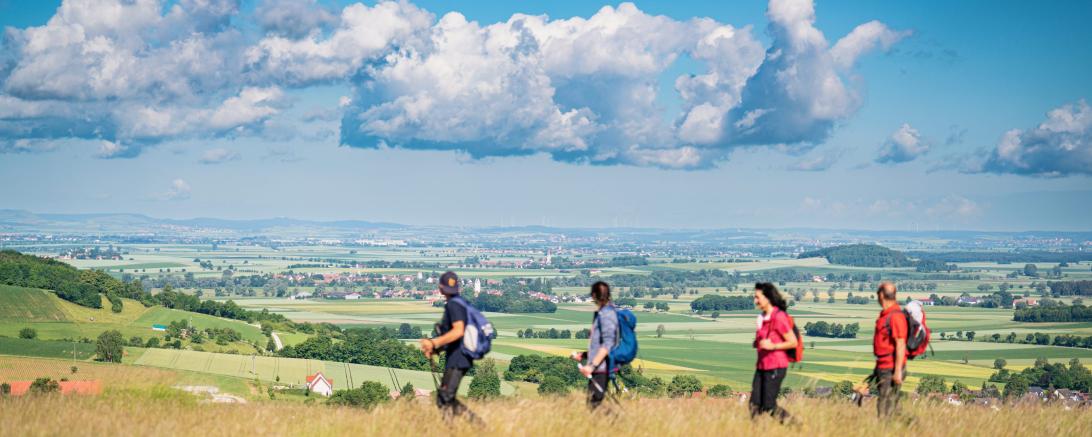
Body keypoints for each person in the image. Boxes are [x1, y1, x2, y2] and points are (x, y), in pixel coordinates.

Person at [419, 271, 473, 419]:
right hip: (459, 356)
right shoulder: (458, 304)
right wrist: (436, 349)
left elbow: (458, 331)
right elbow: (454, 336)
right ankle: (472, 426)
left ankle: (478, 426)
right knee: (444, 397)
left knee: (445, 398)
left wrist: (433, 342)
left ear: (440, 288)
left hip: (458, 358)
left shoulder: (453, 305)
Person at [750, 282, 796, 423]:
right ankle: (754, 431)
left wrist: (773, 346)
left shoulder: (779, 317)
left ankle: (795, 426)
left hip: (776, 367)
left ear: (768, 298)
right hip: (762, 366)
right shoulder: (762, 318)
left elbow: (793, 342)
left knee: (768, 405)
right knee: (754, 404)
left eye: (757, 297)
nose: (755, 301)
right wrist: (757, 343)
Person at [570, 281, 618, 410]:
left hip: (601, 368)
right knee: (593, 404)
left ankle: (620, 422)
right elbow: (599, 345)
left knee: (594, 406)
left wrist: (591, 366)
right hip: (599, 367)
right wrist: (583, 355)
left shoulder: (606, 315)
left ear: (593, 295)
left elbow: (607, 344)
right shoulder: (603, 313)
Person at [868, 281, 908, 418]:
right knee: (891, 405)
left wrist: (897, 371)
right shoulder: (887, 314)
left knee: (885, 407)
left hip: (890, 368)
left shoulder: (895, 316)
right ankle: (904, 425)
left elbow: (900, 344)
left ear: (881, 295)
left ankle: (900, 425)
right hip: (884, 366)